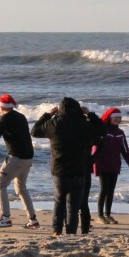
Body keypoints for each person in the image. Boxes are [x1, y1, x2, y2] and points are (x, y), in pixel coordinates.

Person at [31, 97, 104, 236]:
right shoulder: (84, 124)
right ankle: (71, 234)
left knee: (59, 202)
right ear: (78, 109)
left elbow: (34, 131)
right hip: (79, 170)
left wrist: (47, 115)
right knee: (73, 208)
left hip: (59, 171)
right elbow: (102, 131)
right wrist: (90, 114)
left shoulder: (54, 124)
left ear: (60, 109)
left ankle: (56, 232)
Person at [0, 93, 39, 229]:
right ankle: (33, 220)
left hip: (16, 157)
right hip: (28, 157)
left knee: (0, 184)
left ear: (1, 107)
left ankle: (5, 218)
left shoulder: (4, 119)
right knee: (21, 187)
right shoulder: (21, 116)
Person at [94, 107, 129, 225]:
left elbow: (126, 152)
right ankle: (100, 215)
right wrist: (96, 165)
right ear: (110, 118)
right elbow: (96, 148)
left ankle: (108, 214)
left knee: (111, 190)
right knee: (104, 189)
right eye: (115, 117)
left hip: (115, 165)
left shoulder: (120, 133)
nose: (117, 119)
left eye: (119, 117)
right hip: (103, 165)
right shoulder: (103, 130)